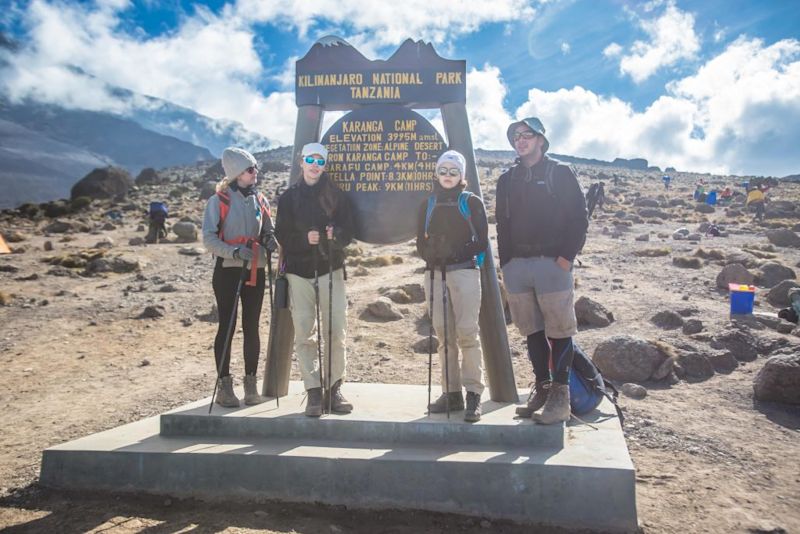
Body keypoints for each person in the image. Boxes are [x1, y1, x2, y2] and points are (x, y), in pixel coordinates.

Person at [496, 117, 588, 425]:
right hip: (517, 267)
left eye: (526, 135)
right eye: (515, 136)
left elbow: (579, 218)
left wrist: (565, 257)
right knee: (532, 330)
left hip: (552, 264)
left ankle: (560, 397)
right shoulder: (506, 179)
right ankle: (542, 389)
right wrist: (506, 262)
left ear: (540, 140)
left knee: (560, 330)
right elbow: (502, 224)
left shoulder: (559, 173)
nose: (520, 140)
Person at [274, 142, 355, 417]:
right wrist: (303, 240)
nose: (315, 165)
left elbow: (348, 234)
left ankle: (334, 388)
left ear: (325, 165)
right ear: (301, 161)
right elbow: (281, 235)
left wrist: (336, 237)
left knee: (336, 330)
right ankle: (313, 392)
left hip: (330, 269)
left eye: (320, 161)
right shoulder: (288, 198)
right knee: (304, 333)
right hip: (299, 272)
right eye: (310, 159)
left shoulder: (338, 197)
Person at [416, 150, 489, 422]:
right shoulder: (428, 204)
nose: (448, 175)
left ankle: (473, 393)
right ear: (437, 173)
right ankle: (451, 392)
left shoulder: (471, 202)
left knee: (468, 333)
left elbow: (482, 241)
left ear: (462, 175)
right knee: (444, 336)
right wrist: (431, 254)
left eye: (453, 171)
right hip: (434, 274)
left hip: (465, 273)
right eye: (443, 170)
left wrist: (456, 251)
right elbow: (419, 242)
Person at [202, 147, 274, 408]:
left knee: (252, 326)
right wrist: (233, 251)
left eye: (255, 168)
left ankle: (251, 386)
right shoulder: (218, 202)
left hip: (256, 269)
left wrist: (270, 239)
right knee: (228, 327)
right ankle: (224, 387)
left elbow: (268, 229)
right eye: (250, 169)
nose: (256, 173)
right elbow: (208, 238)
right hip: (228, 271)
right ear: (236, 174)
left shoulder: (261, 201)